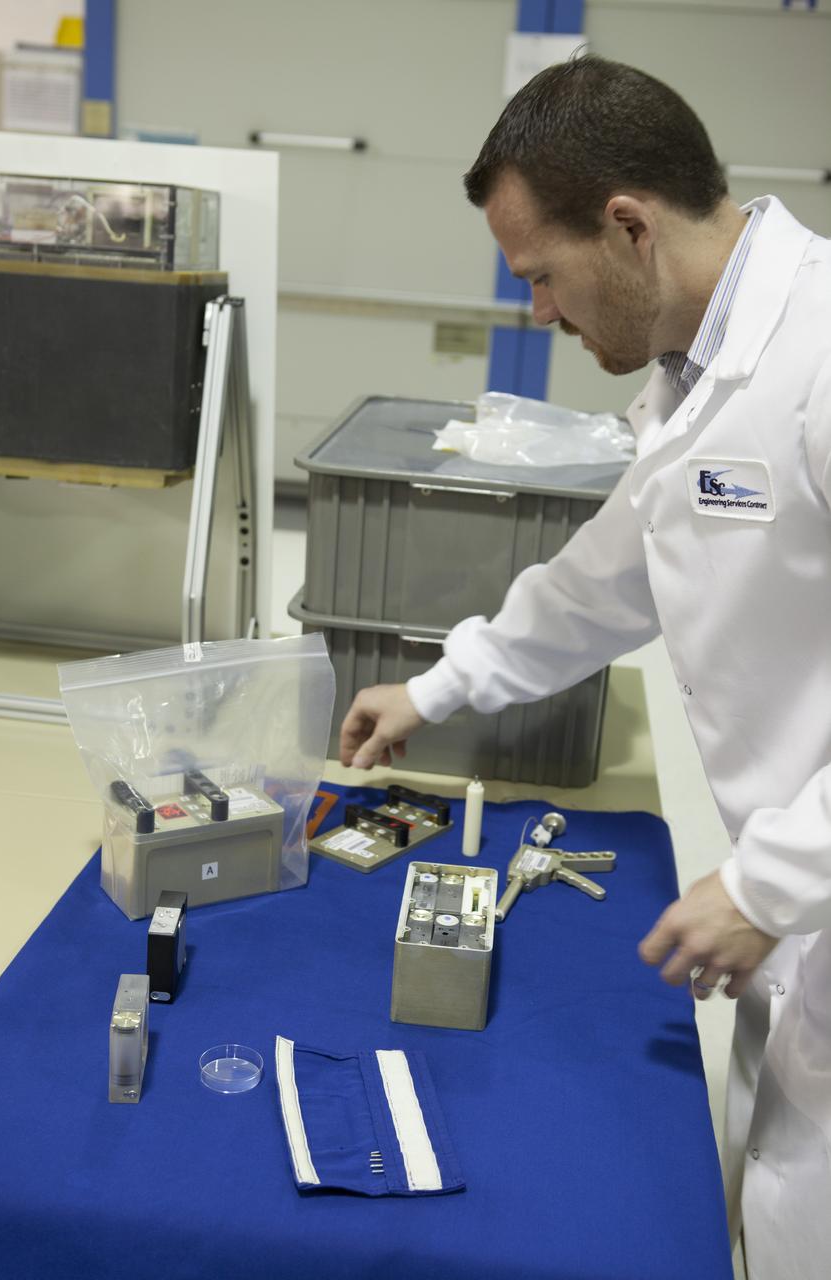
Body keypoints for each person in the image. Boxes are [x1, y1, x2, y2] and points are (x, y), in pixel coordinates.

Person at [338, 55, 831, 1280]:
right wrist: (434, 687)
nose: (539, 314)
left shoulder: (820, 359)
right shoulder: (688, 373)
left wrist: (769, 880)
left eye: (540, 275)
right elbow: (606, 579)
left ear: (626, 226)